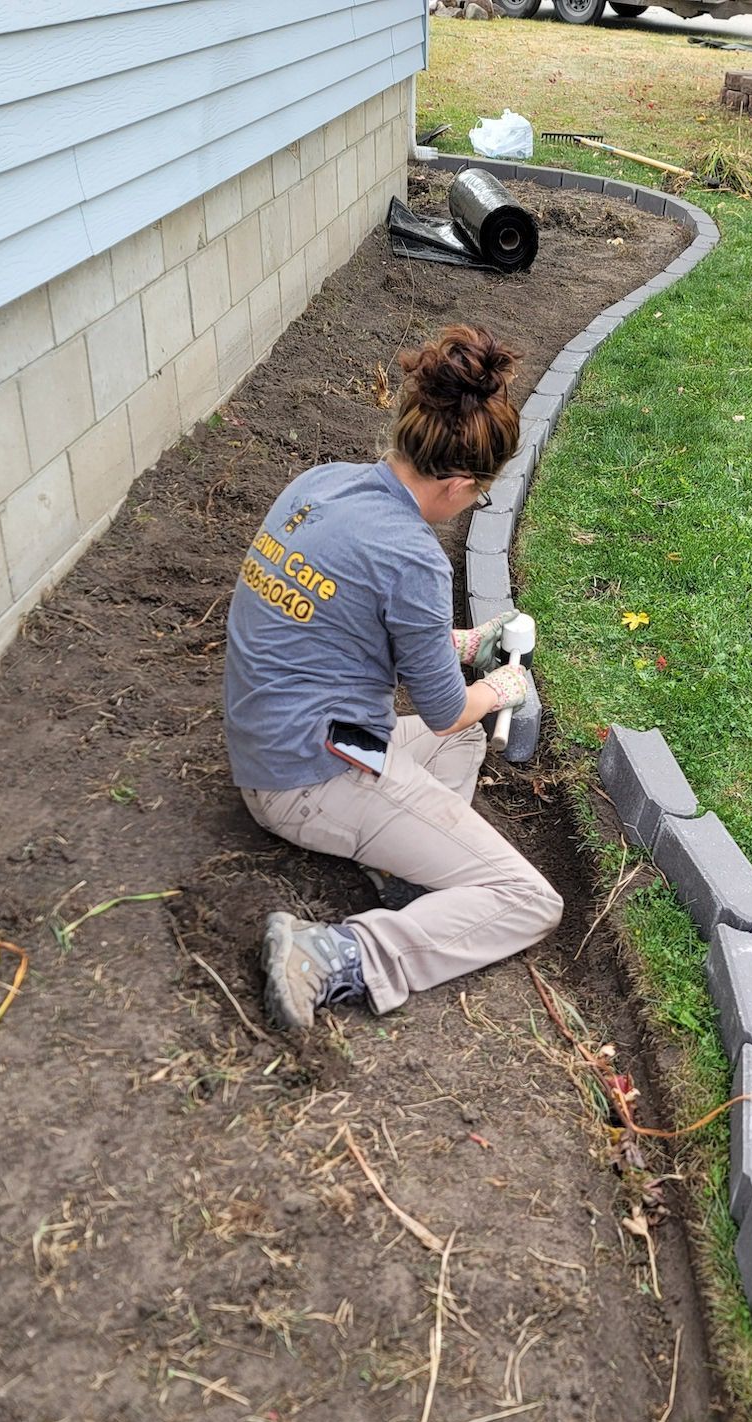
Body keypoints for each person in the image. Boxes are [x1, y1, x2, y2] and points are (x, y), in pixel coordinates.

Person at [223, 323, 563, 1032]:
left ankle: (409, 875)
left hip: (271, 740)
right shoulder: (411, 554)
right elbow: (443, 708)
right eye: (479, 496)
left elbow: (348, 618)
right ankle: (334, 955)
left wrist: (464, 641)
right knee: (527, 899)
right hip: (308, 779)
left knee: (463, 749)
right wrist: (505, 687)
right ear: (462, 483)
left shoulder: (323, 485)